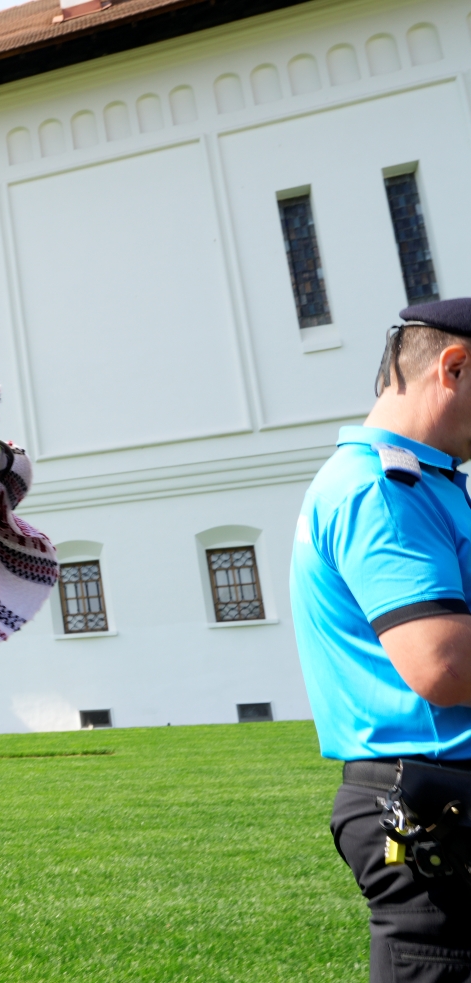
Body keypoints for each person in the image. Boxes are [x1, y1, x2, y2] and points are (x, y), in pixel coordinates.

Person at [294, 297, 471, 979]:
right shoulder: (383, 490)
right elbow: (442, 663)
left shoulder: (426, 482)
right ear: (453, 367)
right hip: (439, 806)